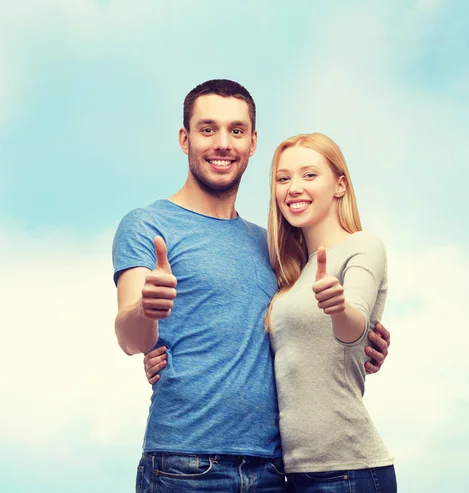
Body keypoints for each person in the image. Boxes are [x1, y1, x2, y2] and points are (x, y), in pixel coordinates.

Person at [113, 79, 390, 493]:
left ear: (252, 142)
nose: (222, 142)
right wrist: (145, 311)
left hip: (273, 471)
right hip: (184, 464)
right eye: (208, 129)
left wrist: (367, 335)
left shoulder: (275, 247)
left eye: (236, 131)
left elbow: (309, 326)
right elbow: (131, 337)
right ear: (185, 139)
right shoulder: (147, 225)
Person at [267, 133, 397, 492]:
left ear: (340, 185)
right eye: (283, 178)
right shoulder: (289, 274)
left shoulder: (363, 246)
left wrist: (338, 308)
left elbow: (354, 326)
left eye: (309, 175)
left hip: (349, 470)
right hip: (289, 472)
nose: (294, 187)